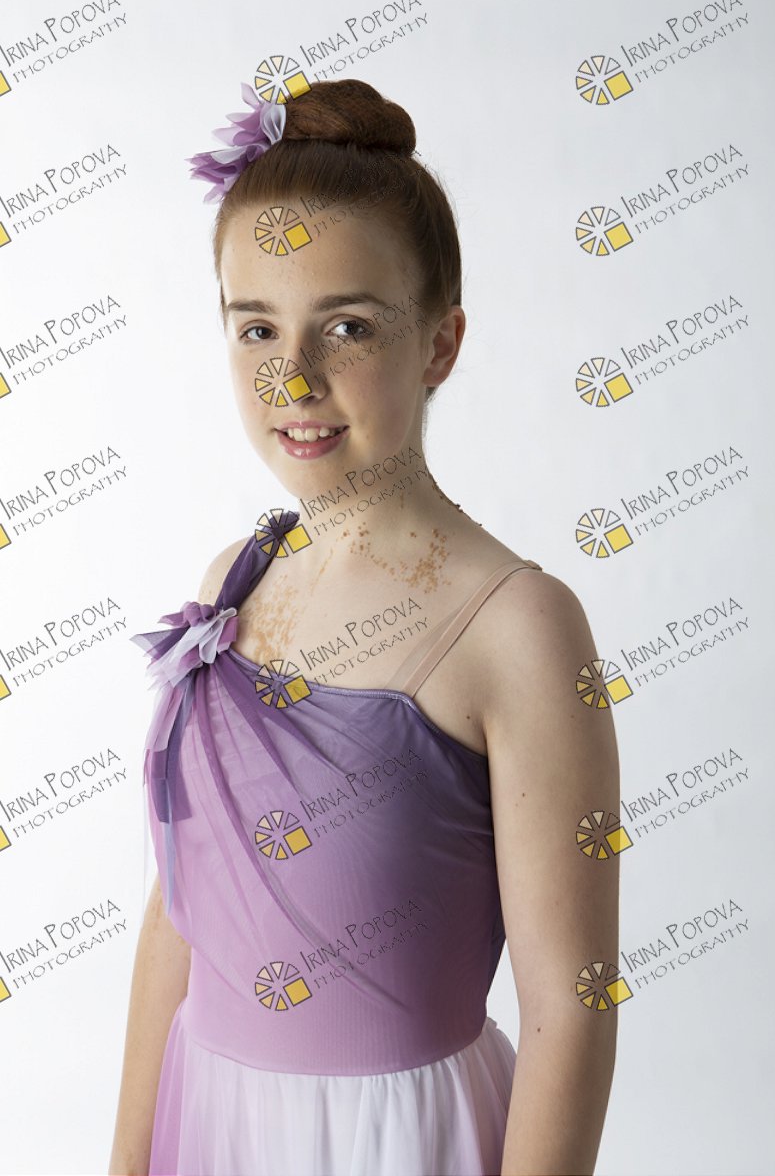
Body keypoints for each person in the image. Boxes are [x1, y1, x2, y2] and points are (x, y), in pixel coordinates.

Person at [108, 78, 620, 1176]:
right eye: (257, 327)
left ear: (440, 343)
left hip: (396, 1142)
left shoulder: (518, 627)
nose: (291, 376)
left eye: (345, 327)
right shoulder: (235, 579)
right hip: (215, 1122)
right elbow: (180, 915)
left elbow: (571, 1006)